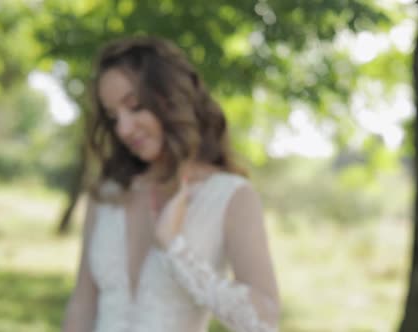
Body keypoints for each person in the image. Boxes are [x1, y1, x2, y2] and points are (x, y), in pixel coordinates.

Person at [62, 36, 280, 332]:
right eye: (114, 117)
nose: (123, 130)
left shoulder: (231, 196)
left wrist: (176, 250)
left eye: (135, 106)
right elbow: (82, 304)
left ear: (170, 98)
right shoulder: (108, 194)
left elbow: (264, 321)